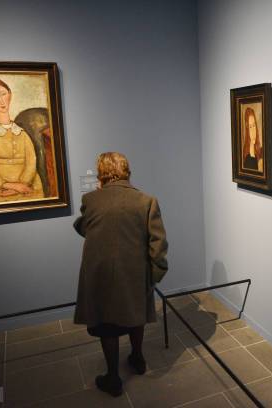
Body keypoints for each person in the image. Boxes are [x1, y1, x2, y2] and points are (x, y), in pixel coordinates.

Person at [73, 152, 168, 397]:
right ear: (127, 171)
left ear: (102, 174)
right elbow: (158, 243)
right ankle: (137, 358)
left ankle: (113, 377)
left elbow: (85, 227)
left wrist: (98, 192)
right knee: (135, 314)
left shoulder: (91, 199)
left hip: (100, 272)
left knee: (106, 323)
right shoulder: (146, 201)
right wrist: (155, 274)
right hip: (135, 272)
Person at [0, 78, 44, 203]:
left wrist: (22, 185)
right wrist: (12, 187)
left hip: (30, 189)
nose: (1, 100)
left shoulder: (23, 134)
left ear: (10, 95)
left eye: (3, 94)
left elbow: (31, 164)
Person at [242, 107, 263, 171]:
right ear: (247, 129)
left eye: (254, 125)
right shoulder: (247, 157)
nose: (253, 131)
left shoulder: (260, 150)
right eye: (250, 127)